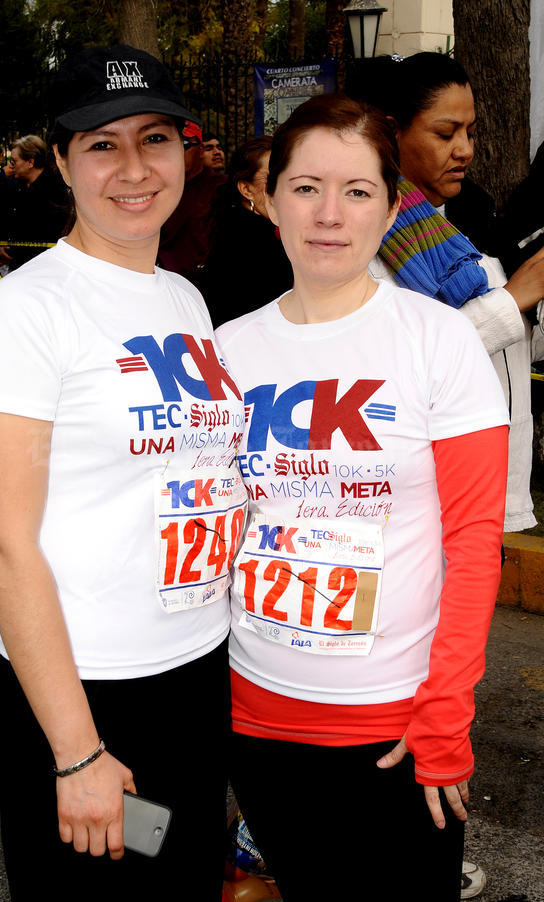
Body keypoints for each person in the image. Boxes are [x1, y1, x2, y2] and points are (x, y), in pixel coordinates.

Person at [0, 43, 245, 900]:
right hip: (87, 691)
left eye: (156, 139)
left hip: (195, 670)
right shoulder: (26, 311)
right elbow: (4, 545)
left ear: (185, 152)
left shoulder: (183, 297)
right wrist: (77, 750)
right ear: (60, 162)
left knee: (185, 881)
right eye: (101, 144)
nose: (134, 168)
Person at [215, 93, 509, 902]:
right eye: (306, 187)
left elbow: (475, 539)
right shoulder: (227, 350)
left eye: (356, 191)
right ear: (268, 198)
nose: (329, 214)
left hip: (395, 722)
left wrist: (446, 717)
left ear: (389, 207)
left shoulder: (437, 339)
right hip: (258, 717)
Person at [351, 53, 544, 539]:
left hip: (490, 473)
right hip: (424, 496)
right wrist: (514, 297)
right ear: (393, 132)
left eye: (471, 133)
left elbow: (514, 350)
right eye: (445, 133)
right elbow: (403, 361)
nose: (464, 150)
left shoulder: (470, 214)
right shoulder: (372, 234)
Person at [202, 136, 293, 327]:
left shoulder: (237, 224)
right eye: (272, 177)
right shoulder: (251, 238)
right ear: (246, 189)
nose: (284, 185)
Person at [157, 122, 227, 288]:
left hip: (204, 283)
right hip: (162, 279)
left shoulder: (220, 187)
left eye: (186, 145)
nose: (179, 152)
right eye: (172, 146)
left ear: (200, 150)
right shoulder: (156, 187)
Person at [4, 134, 70, 270]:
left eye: (14, 161)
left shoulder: (55, 191)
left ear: (30, 162)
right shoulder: (17, 186)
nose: (11, 166)